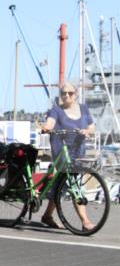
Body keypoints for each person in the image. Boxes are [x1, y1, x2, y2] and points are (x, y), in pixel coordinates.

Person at [35, 81, 96, 230]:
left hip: (78, 151)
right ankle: (85, 221)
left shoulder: (83, 109)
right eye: (63, 93)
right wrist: (47, 128)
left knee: (60, 185)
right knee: (74, 183)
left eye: (70, 93)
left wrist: (87, 132)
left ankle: (47, 216)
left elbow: (91, 126)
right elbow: (50, 123)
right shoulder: (56, 110)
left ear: (76, 94)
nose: (67, 96)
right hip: (61, 151)